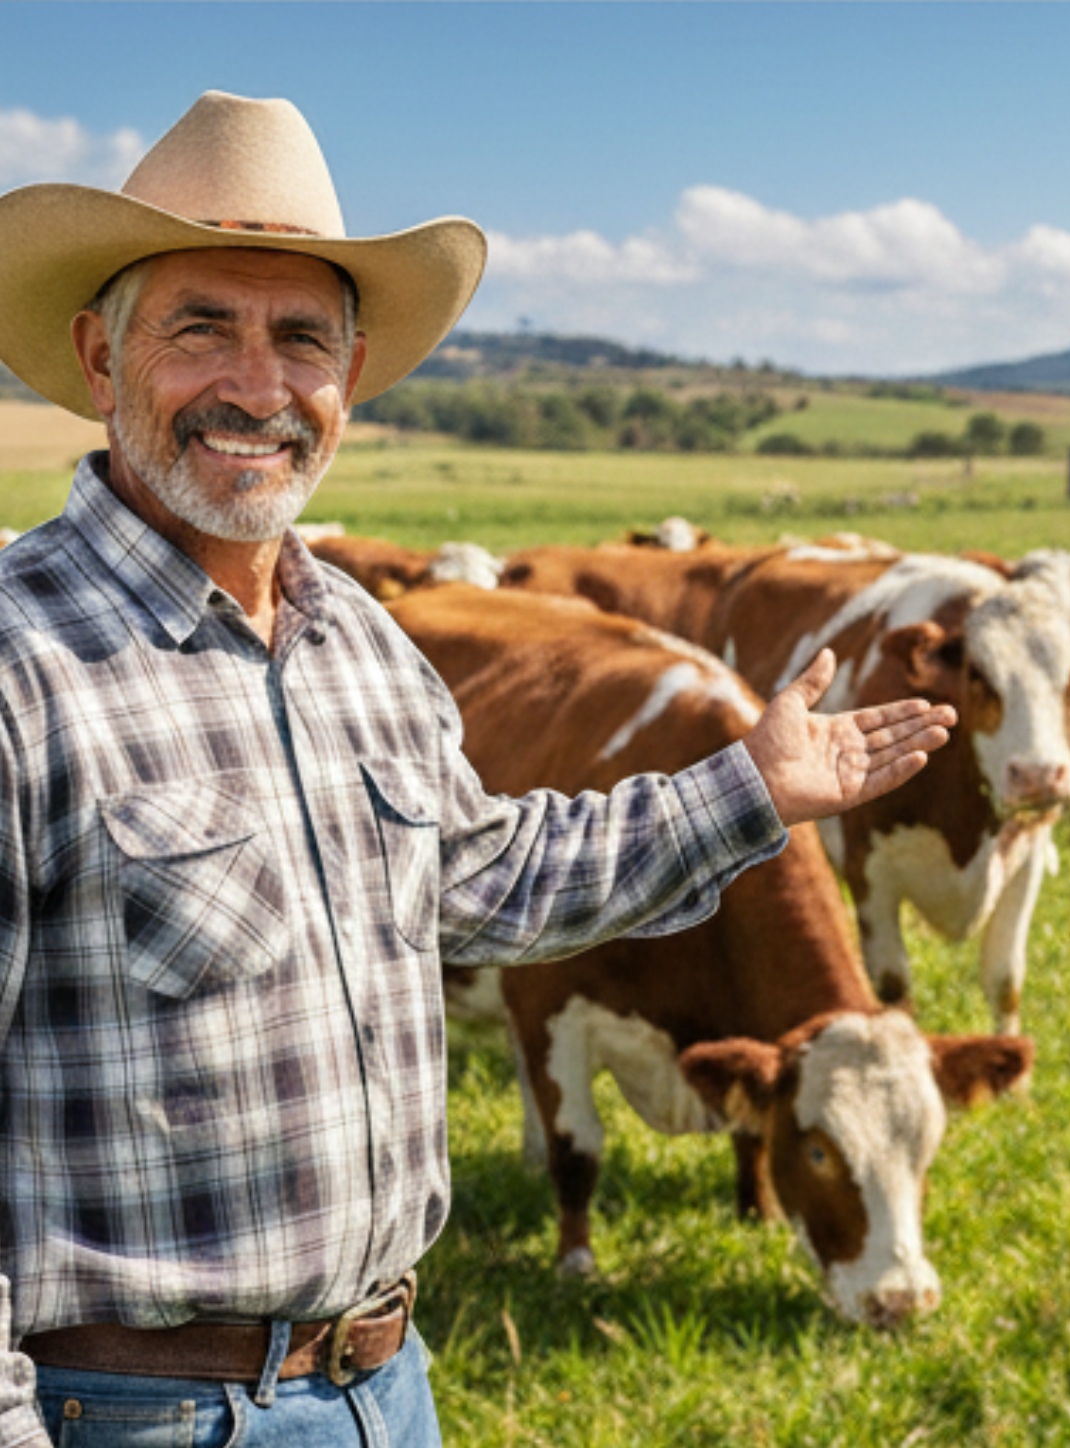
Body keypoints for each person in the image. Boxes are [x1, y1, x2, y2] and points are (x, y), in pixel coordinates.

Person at [0, 92, 955, 1447]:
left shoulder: (363, 647)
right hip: (136, 1411)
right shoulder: (19, 667)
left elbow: (487, 877)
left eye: (302, 339)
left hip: (389, 1383)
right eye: (200, 325)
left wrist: (750, 791)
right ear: (101, 357)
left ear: (352, 375)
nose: (258, 386)